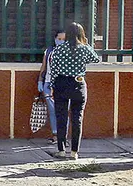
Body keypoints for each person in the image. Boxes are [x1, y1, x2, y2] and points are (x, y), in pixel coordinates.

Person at [48, 22, 101, 160]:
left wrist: (53, 86)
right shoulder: (84, 49)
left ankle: (61, 150)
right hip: (78, 84)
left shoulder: (59, 49)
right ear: (81, 34)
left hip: (62, 83)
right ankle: (74, 152)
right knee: (77, 118)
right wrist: (87, 44)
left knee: (61, 117)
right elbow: (96, 59)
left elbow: (54, 70)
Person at [37, 28, 67, 145]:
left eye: (64, 39)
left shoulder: (69, 52)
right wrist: (40, 80)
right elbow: (44, 67)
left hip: (62, 83)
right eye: (59, 39)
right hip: (48, 83)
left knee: (63, 110)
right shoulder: (49, 51)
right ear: (55, 39)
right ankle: (55, 134)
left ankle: (63, 136)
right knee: (53, 110)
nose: (61, 41)